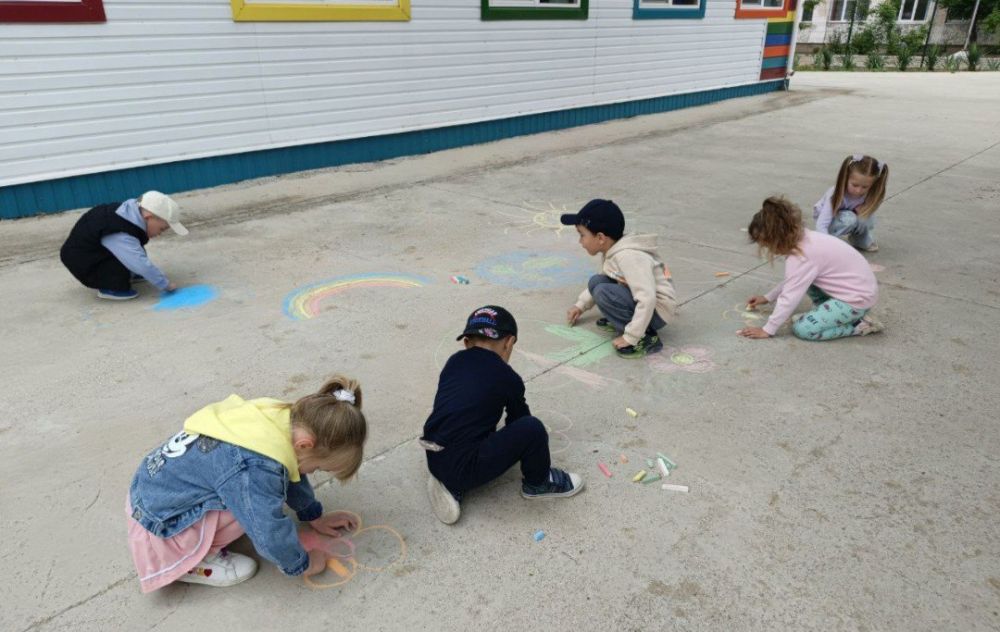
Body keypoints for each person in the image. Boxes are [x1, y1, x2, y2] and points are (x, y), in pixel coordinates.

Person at [125, 375, 366, 591]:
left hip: (151, 490)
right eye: (319, 467)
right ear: (305, 444)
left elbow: (292, 470)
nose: (313, 472)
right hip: (163, 524)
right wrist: (301, 563)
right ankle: (191, 562)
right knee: (255, 503)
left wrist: (313, 515)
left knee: (260, 487)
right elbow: (266, 528)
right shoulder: (255, 467)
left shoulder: (282, 420)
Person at [422, 305, 584, 525]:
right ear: (509, 343)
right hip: (464, 468)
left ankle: (447, 481)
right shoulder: (508, 377)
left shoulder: (454, 362)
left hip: (434, 453)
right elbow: (520, 421)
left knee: (465, 418)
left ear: (467, 342)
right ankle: (538, 484)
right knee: (533, 428)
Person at [738, 196, 883, 342]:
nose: (770, 250)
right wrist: (768, 297)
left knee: (803, 329)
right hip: (859, 291)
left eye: (768, 245)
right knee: (807, 281)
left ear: (778, 239)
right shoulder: (807, 239)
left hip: (855, 301)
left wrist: (768, 329)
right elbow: (793, 280)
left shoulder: (802, 257)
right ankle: (827, 314)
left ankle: (860, 325)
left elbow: (789, 296)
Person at [562, 199, 676, 358]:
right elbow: (605, 278)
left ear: (600, 238)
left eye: (582, 235)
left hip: (657, 311)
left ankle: (646, 337)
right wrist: (580, 306)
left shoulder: (629, 257)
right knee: (597, 281)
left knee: (603, 292)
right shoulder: (613, 250)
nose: (580, 241)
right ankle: (624, 319)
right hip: (647, 304)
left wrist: (631, 336)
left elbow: (647, 298)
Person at [60, 191, 187, 300]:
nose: (160, 233)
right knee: (130, 261)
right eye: (162, 229)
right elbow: (139, 263)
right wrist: (165, 284)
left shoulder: (128, 213)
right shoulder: (119, 231)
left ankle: (128, 273)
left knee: (133, 251)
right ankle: (111, 289)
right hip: (83, 262)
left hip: (94, 250)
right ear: (149, 217)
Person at [814, 154, 889, 252]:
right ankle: (830, 240)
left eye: (865, 187)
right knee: (849, 219)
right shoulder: (835, 194)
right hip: (830, 220)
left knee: (867, 218)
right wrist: (823, 243)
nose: (858, 190)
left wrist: (860, 212)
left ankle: (859, 240)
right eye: (855, 185)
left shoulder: (870, 194)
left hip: (849, 215)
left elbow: (868, 217)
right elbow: (822, 223)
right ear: (845, 178)